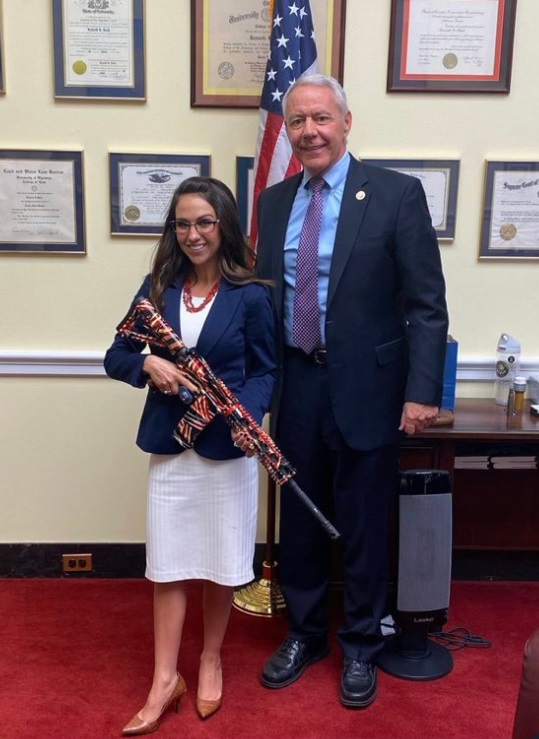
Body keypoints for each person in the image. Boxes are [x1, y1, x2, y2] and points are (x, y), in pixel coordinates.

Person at [256, 74, 449, 708]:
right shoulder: (276, 201)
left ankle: (362, 643)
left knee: (365, 523)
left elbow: (426, 304)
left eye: (321, 118)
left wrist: (421, 394)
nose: (309, 131)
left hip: (370, 388)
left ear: (346, 121)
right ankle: (307, 633)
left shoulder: (396, 195)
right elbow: (264, 301)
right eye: (297, 121)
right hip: (297, 383)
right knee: (303, 522)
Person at [104, 176, 277, 735]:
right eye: (182, 223)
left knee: (224, 561)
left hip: (227, 448)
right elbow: (116, 354)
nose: (193, 234)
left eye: (204, 222)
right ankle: (163, 679)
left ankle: (209, 659)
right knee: (170, 566)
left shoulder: (251, 294)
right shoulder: (158, 286)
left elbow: (264, 370)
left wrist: (242, 417)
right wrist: (146, 365)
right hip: (170, 447)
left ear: (223, 225)